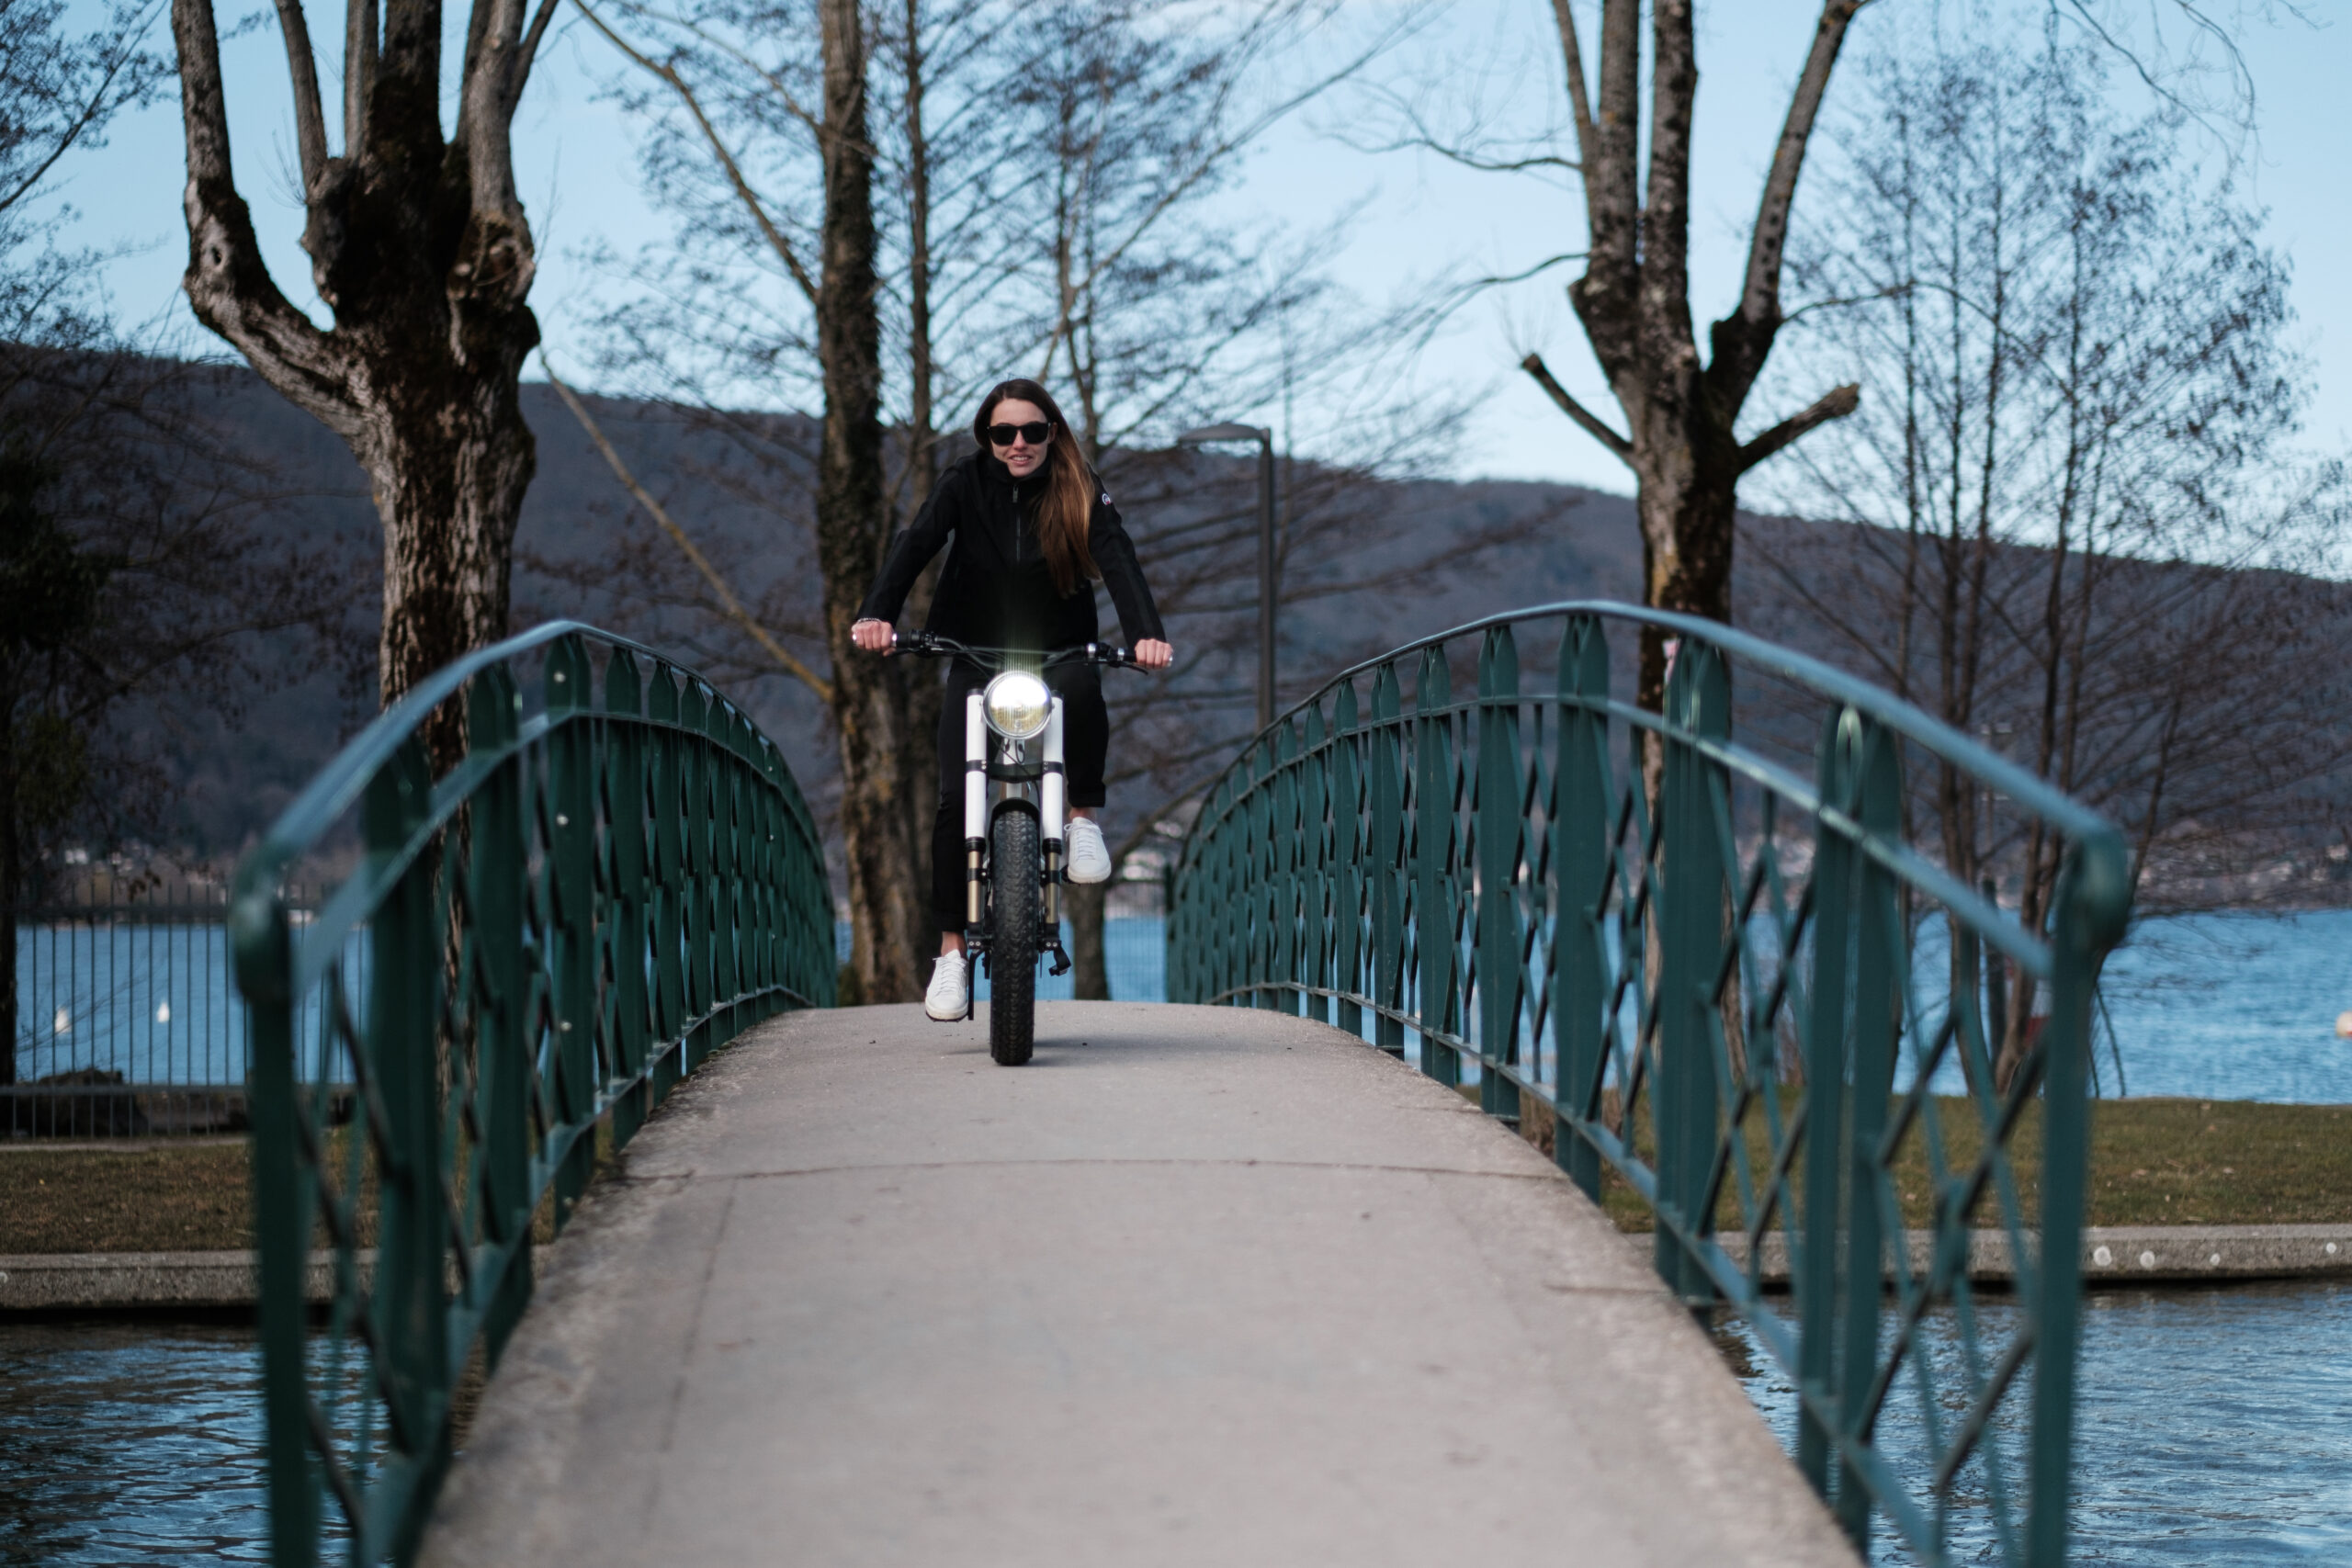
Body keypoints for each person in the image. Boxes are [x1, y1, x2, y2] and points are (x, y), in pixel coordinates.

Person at [852, 378, 1172, 1021]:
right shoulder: (961, 483)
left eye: (1032, 431)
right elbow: (915, 542)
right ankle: (950, 953)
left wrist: (1145, 633)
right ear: (986, 437)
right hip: (974, 650)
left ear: (1052, 432)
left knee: (1084, 686)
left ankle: (1081, 818)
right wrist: (876, 614)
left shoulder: (1078, 485)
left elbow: (1117, 556)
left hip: (1058, 648)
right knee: (953, 795)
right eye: (1004, 433)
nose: (1019, 444)